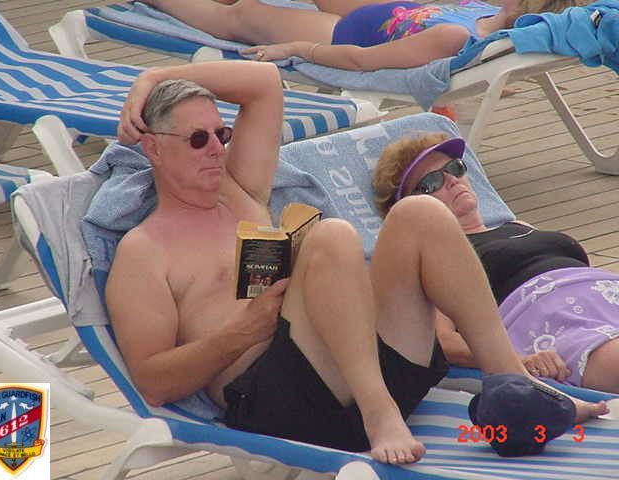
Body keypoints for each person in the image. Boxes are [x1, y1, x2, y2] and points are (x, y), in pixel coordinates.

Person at [106, 60, 607, 466]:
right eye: (198, 139)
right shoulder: (145, 252)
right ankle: (378, 413)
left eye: (223, 134)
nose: (216, 150)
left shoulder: (240, 194)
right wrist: (242, 332)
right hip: (281, 401)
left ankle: (517, 382)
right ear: (153, 147)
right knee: (333, 235)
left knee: (422, 213)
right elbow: (153, 380)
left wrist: (152, 76)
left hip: (357, 365)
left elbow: (263, 82)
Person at [372, 132, 619, 393]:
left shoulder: (517, 225)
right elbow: (443, 340)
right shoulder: (442, 259)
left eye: (455, 168)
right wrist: (516, 359)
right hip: (561, 325)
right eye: (432, 181)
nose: (452, 180)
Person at [142, 0, 584, 70]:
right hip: (385, 10)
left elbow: (363, 61)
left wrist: (299, 49)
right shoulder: (485, 12)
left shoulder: (453, 38)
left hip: (345, 32)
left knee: (241, 16)